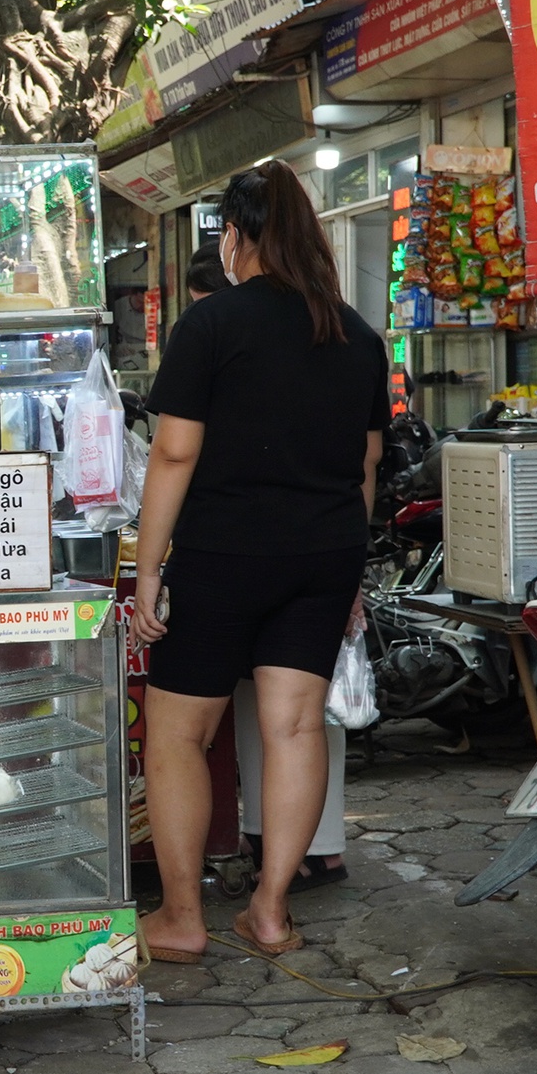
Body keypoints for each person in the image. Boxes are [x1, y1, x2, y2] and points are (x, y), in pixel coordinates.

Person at [130, 161, 386, 964]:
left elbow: (174, 454)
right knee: (296, 726)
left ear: (237, 237)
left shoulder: (209, 327)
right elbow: (368, 468)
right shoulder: (357, 335)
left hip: (223, 553)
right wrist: (351, 574)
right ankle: (270, 910)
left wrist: (146, 569)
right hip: (324, 554)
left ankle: (181, 918)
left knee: (176, 734)